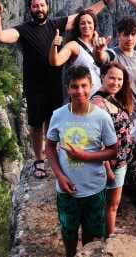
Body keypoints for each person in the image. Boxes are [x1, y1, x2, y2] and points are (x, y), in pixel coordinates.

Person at [0, 0, 117, 179]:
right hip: (34, 85)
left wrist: (107, 1)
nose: (39, 9)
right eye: (35, 6)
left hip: (56, 83)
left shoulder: (56, 24)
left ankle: (51, 156)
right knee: (35, 124)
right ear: (30, 9)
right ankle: (39, 160)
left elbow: (85, 16)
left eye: (42, 5)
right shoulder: (23, 30)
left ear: (47, 7)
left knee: (52, 121)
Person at [46, 65, 118, 257]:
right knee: (69, 231)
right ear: (68, 88)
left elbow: (113, 150)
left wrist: (85, 156)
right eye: (74, 86)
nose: (80, 91)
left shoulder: (102, 117)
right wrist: (60, 176)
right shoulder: (58, 115)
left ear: (91, 85)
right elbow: (50, 147)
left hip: (94, 188)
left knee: (92, 234)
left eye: (84, 86)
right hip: (67, 189)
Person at [90, 61, 135, 236]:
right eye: (111, 78)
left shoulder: (117, 98)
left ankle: (109, 236)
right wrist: (107, 169)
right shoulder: (98, 103)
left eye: (119, 79)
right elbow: (96, 140)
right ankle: (100, 239)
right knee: (105, 205)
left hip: (120, 162)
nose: (116, 83)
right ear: (103, 77)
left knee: (112, 206)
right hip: (107, 165)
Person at [98, 16, 136, 141]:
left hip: (135, 113)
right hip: (114, 112)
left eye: (133, 34)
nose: (130, 38)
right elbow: (102, 57)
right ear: (119, 35)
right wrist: (99, 51)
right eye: (126, 34)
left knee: (131, 148)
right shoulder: (113, 54)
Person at [49, 9, 110, 95]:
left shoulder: (100, 44)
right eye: (82, 23)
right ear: (78, 26)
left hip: (100, 97)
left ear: (94, 25)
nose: (86, 25)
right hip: (82, 96)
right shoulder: (73, 45)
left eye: (89, 22)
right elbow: (55, 61)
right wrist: (54, 45)